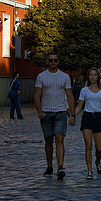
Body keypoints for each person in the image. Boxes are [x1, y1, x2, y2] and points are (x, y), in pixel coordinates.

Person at [35, 51, 75, 179]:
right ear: (47, 62)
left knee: (59, 139)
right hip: (46, 113)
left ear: (58, 62)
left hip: (60, 112)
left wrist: (72, 114)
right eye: (51, 60)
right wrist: (39, 112)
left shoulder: (64, 77)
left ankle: (60, 167)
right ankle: (49, 165)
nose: (53, 62)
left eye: (55, 60)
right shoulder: (41, 76)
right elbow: (37, 95)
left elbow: (69, 96)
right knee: (48, 141)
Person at [74, 68, 101, 179]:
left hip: (99, 117)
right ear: (88, 77)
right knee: (88, 145)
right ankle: (89, 171)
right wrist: (73, 114)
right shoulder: (84, 90)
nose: (93, 77)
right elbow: (80, 105)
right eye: (91, 75)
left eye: (95, 75)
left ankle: (97, 162)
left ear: (98, 77)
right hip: (87, 117)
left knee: (99, 149)